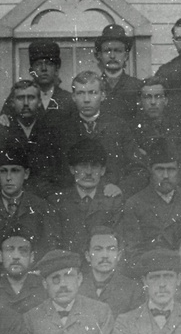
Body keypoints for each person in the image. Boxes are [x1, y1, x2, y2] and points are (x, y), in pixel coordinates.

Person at [60, 70, 150, 198]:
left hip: (111, 199)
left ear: (103, 95)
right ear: (73, 97)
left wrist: (121, 189)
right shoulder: (63, 129)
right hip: (74, 201)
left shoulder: (119, 126)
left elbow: (140, 169)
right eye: (81, 93)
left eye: (92, 93)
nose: (86, 100)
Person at [0, 143, 61, 258]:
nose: (9, 177)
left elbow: (51, 247)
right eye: (3, 171)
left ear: (26, 174)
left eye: (15, 171)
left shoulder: (42, 207)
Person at [119, 137, 181, 266]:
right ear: (150, 170)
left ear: (178, 170)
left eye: (171, 169)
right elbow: (133, 252)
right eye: (159, 169)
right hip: (151, 271)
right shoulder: (134, 204)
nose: (165, 176)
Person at [0, 79, 64, 200]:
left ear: (39, 102)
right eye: (20, 98)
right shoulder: (2, 130)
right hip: (7, 192)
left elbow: (54, 170)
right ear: (12, 103)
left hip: (43, 193)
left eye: (31, 98)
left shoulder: (51, 130)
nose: (25, 103)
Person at [50, 138, 124, 255]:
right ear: (72, 169)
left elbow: (120, 243)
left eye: (94, 166)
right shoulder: (57, 201)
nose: (89, 172)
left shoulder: (113, 201)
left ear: (103, 170)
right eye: (83, 165)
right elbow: (53, 244)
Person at [0, 40, 76, 129]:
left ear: (56, 70)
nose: (44, 69)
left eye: (49, 64)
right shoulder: (17, 97)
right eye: (38, 64)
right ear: (31, 71)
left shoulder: (68, 100)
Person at [78, 226, 142, 317]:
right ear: (87, 256)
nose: (105, 255)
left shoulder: (133, 290)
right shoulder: (77, 287)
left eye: (111, 249)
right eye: (98, 249)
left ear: (119, 255)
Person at [95, 23, 143, 123]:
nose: (112, 56)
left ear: (126, 56)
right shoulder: (94, 87)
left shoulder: (137, 86)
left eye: (118, 51)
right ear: (99, 55)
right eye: (107, 51)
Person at [0, 230, 46, 314]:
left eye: (23, 250)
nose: (16, 256)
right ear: (0, 256)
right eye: (9, 250)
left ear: (31, 257)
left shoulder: (45, 287)